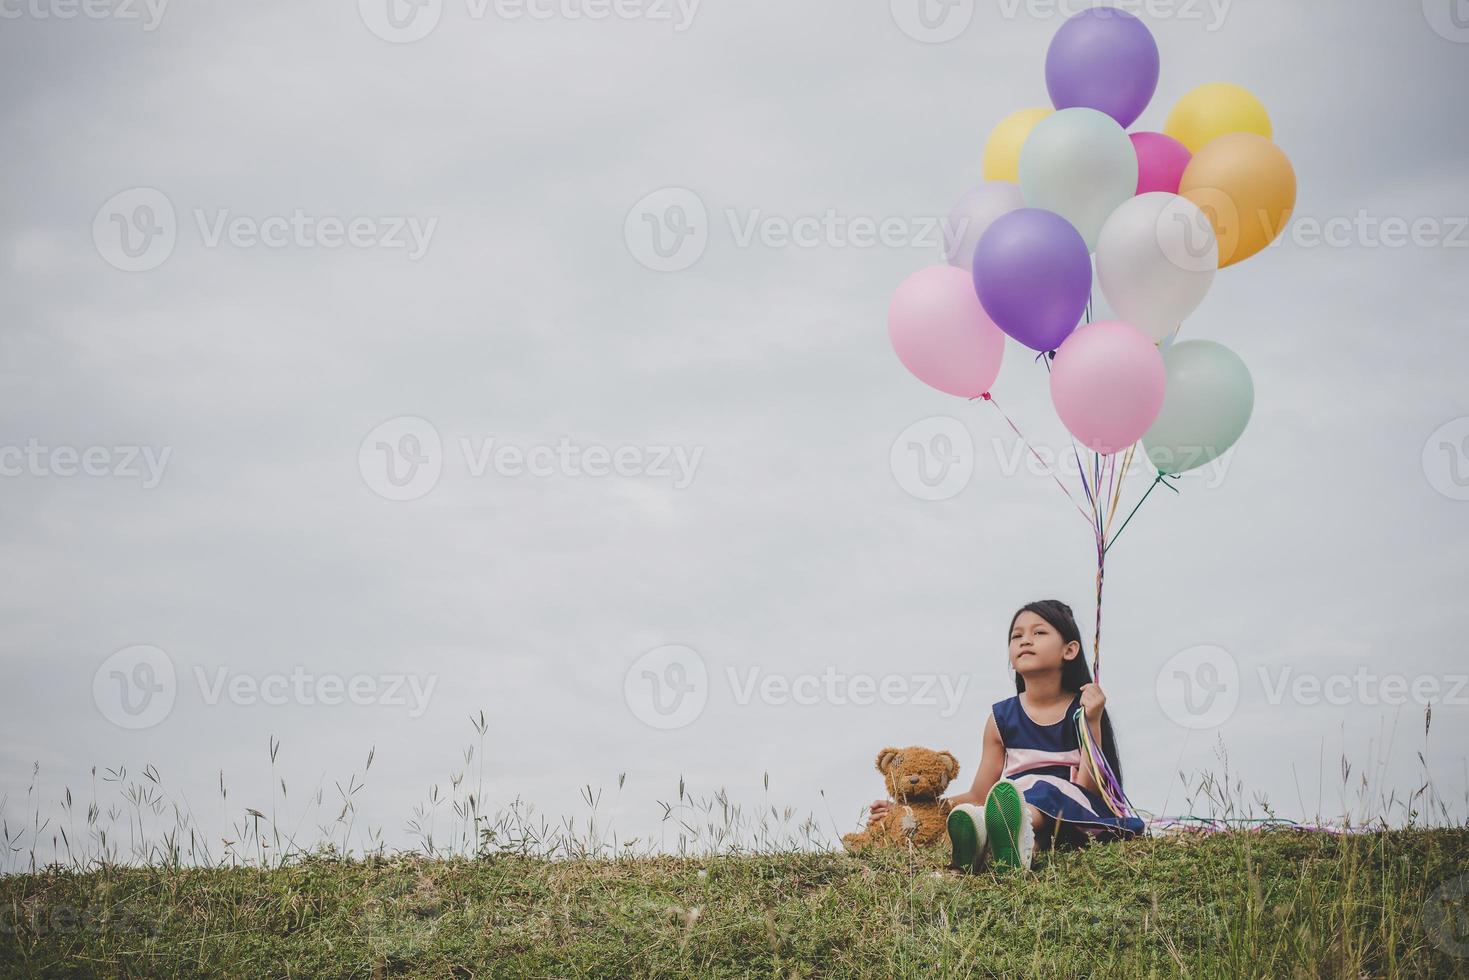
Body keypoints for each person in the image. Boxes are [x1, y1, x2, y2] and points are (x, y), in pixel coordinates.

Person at [866, 599, 1145, 871]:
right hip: (1022, 813)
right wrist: (915, 809)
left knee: (1039, 790)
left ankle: (1000, 825)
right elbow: (979, 792)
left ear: (1069, 650)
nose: (1025, 640)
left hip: (1072, 818)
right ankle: (1005, 845)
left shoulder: (1082, 710)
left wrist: (1092, 719)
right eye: (1017, 635)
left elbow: (1086, 791)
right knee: (1004, 804)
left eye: (1039, 632)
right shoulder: (1001, 719)